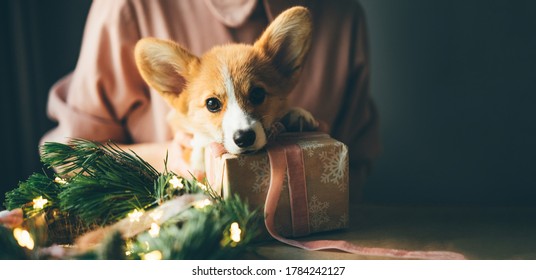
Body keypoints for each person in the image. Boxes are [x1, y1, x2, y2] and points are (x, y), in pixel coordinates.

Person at [41, 0, 380, 202]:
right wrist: (175, 158)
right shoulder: (128, 7)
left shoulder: (341, 13)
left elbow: (356, 166)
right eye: (214, 105)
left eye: (257, 95)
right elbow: (69, 159)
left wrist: (314, 159)